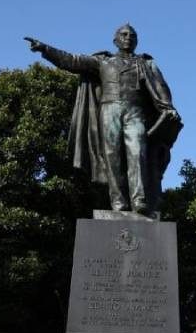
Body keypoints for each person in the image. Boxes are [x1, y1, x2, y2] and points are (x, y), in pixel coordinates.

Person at [24, 24, 182, 216]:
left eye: (132, 35)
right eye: (124, 34)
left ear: (137, 41)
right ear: (115, 40)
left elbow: (160, 87)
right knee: (112, 156)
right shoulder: (103, 61)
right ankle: (118, 202)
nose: (128, 37)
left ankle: (139, 199)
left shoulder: (145, 63)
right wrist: (45, 49)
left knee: (137, 152)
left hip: (135, 110)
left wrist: (167, 107)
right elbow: (72, 61)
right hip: (109, 109)